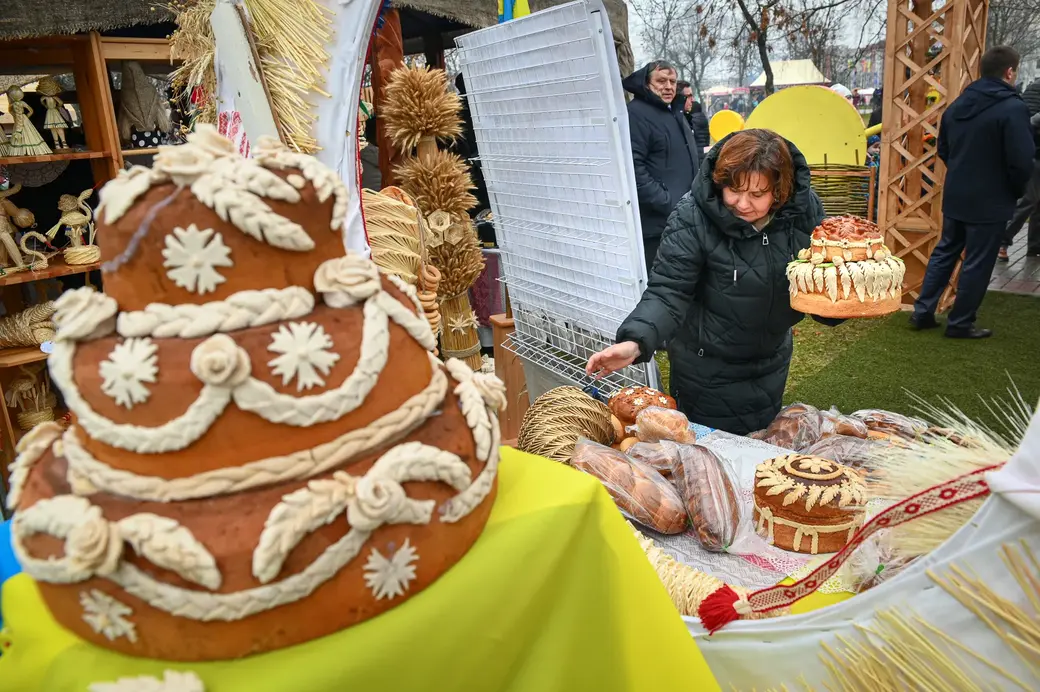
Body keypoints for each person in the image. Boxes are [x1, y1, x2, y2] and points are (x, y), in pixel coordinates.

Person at [585, 129, 831, 435]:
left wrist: (834, 306)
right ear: (720, 180)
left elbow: (819, 277)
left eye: (757, 194)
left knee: (757, 449)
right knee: (706, 459)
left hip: (770, 361)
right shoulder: (692, 216)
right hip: (705, 368)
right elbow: (669, 290)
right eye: (733, 190)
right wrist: (635, 342)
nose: (742, 204)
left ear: (780, 191)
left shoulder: (803, 210)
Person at [910, 46, 1034, 339]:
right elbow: (1021, 159)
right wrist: (1014, 191)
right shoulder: (1013, 108)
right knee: (978, 260)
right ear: (1009, 72)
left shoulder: (957, 106)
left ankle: (923, 311)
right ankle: (961, 322)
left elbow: (944, 149)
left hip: (957, 193)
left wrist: (962, 171)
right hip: (991, 199)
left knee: (945, 251)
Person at [624, 61, 699, 268]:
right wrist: (666, 200)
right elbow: (633, 167)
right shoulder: (636, 114)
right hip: (656, 226)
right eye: (661, 81)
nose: (668, 86)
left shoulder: (674, 112)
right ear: (646, 84)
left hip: (682, 219)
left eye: (672, 81)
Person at [998, 77, 1040, 261]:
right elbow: (1027, 122)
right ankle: (1001, 241)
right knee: (1028, 201)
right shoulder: (1035, 89)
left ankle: (1035, 247)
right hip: (1034, 153)